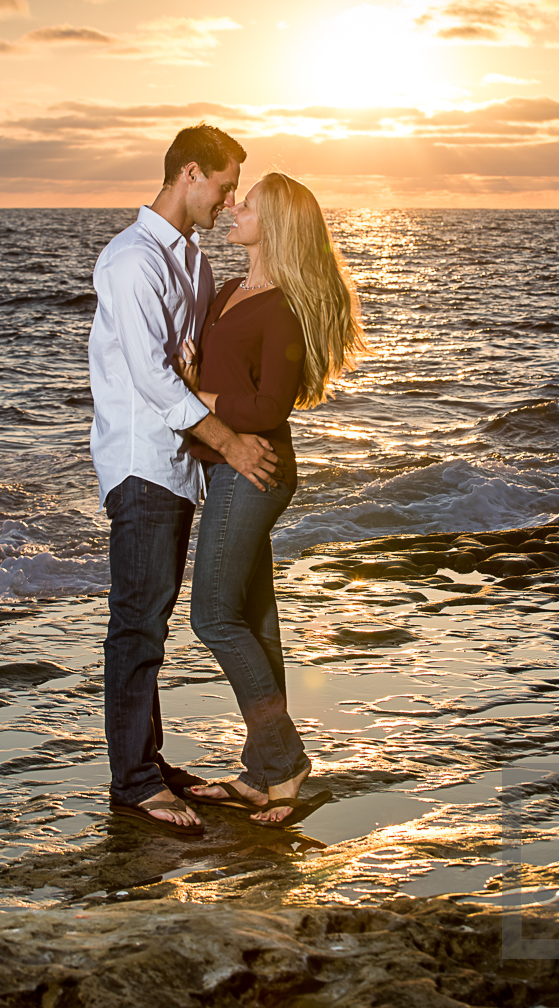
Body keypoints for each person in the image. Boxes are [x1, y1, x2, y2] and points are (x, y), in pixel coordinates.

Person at [88, 124, 280, 837]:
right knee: (136, 624)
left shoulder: (192, 263)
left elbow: (193, 367)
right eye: (225, 185)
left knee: (154, 622)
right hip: (141, 463)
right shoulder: (133, 260)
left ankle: (149, 762)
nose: (228, 201)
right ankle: (133, 781)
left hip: (178, 467)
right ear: (190, 173)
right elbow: (152, 376)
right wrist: (228, 441)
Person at [175, 171, 366, 827]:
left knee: (212, 618)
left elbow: (269, 405)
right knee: (255, 624)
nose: (234, 206)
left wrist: (200, 399)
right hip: (226, 467)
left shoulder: (282, 304)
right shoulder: (229, 290)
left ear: (274, 224)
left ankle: (283, 763)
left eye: (246, 202)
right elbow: (210, 372)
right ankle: (262, 774)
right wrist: (189, 369)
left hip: (256, 471)